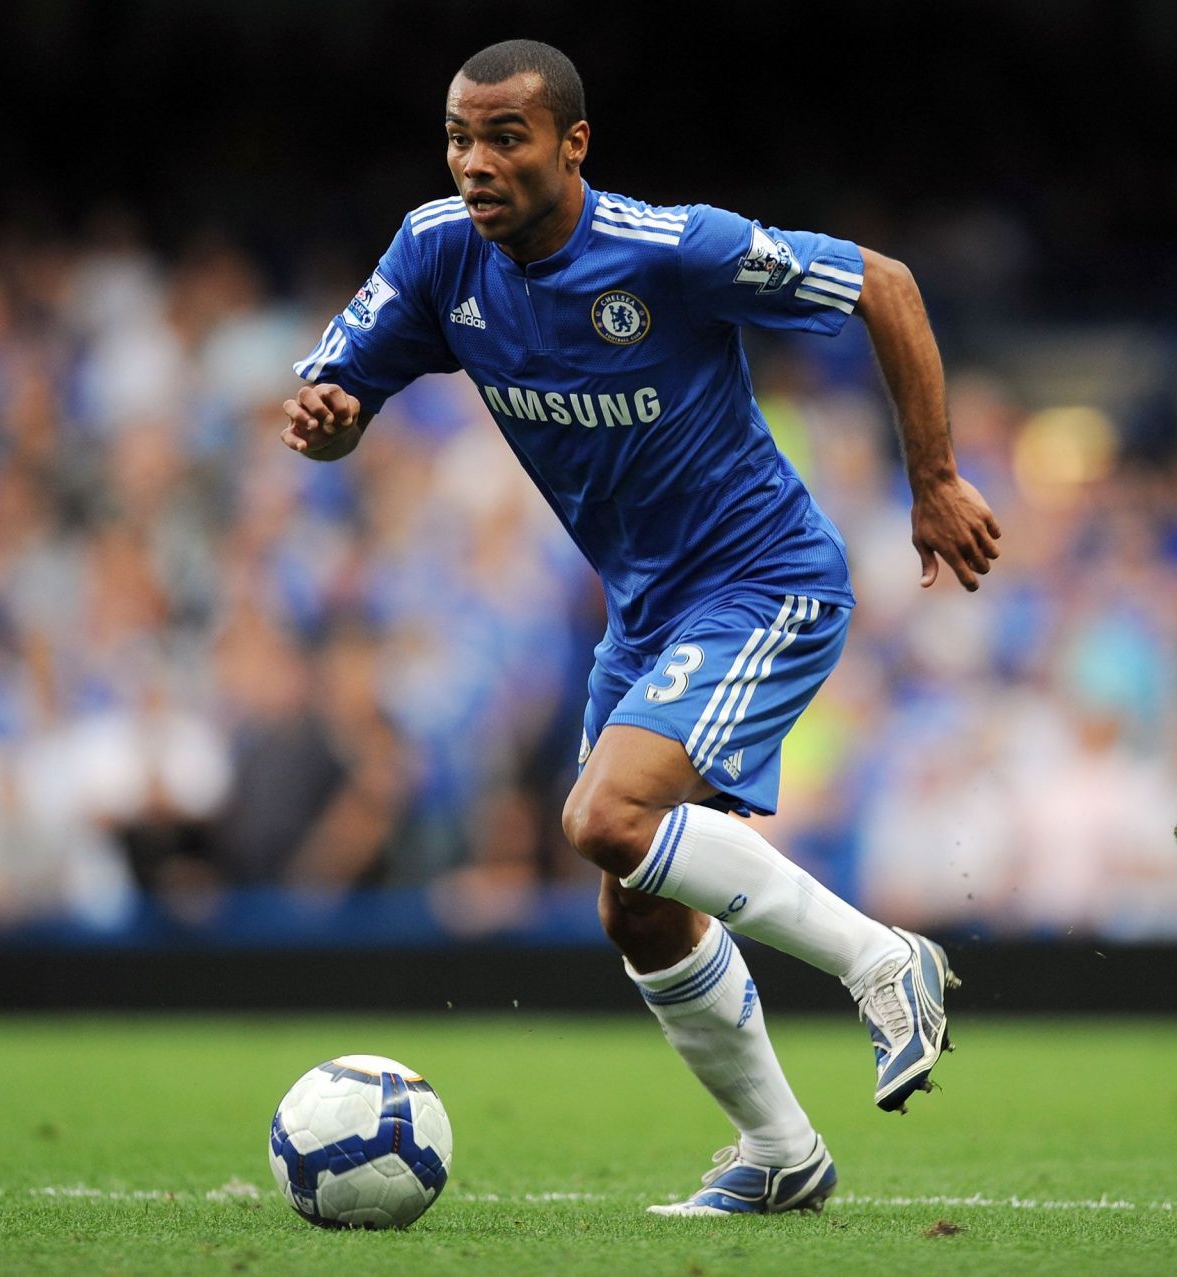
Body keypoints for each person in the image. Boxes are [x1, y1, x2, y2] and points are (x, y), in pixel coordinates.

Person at [282, 39, 1001, 1216]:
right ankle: (781, 1153)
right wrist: (329, 420)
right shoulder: (433, 253)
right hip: (649, 614)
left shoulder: (675, 249)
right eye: (460, 137)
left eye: (506, 135)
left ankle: (886, 960)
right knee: (636, 897)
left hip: (767, 581)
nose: (475, 161)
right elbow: (339, 393)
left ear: (573, 144)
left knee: (606, 815)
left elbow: (887, 284)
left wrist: (933, 479)